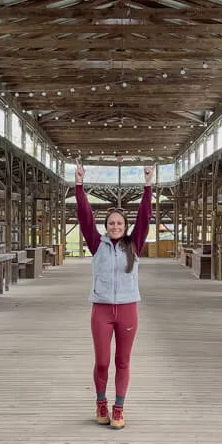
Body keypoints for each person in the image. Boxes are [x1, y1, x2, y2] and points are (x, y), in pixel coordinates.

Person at [75, 164, 153, 429]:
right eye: (111, 223)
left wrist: (147, 186)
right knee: (102, 361)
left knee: (122, 361)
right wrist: (79, 187)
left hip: (128, 309)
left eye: (120, 223)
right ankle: (100, 403)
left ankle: (118, 408)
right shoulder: (97, 245)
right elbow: (84, 216)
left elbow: (145, 217)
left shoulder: (135, 245)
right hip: (102, 310)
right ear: (106, 227)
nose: (116, 226)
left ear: (125, 226)